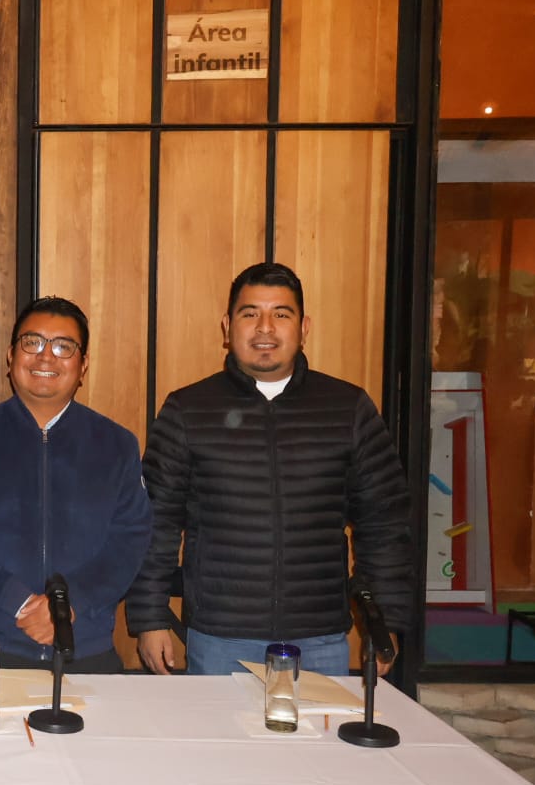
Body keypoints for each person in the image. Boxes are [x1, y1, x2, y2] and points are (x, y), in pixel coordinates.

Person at [127, 262, 415, 677]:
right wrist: (150, 617)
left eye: (281, 314)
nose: (265, 327)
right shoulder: (188, 410)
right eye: (250, 314)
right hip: (220, 637)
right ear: (227, 327)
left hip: (320, 638)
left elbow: (385, 523)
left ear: (304, 327)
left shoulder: (348, 408)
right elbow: (156, 522)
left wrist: (383, 622)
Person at [0, 296, 152, 672]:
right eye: (32, 342)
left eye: (63, 346)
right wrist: (19, 602)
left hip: (85, 644)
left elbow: (128, 543)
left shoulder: (117, 445)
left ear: (83, 364)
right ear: (10, 355)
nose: (46, 356)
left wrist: (67, 606)